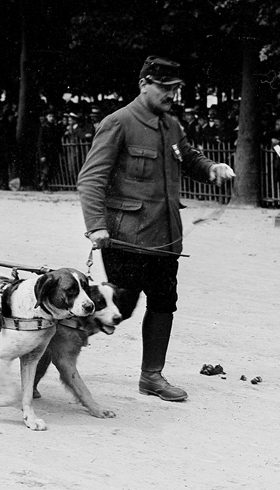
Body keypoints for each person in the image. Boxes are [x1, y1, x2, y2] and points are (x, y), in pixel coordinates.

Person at [76, 55, 235, 402]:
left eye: (175, 88)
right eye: (164, 88)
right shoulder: (118, 123)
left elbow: (188, 156)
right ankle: (52, 351)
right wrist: (95, 227)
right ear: (144, 84)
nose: (171, 95)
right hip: (126, 236)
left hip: (166, 236)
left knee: (164, 302)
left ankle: (152, 376)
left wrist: (212, 168)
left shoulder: (171, 126)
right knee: (121, 305)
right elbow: (91, 179)